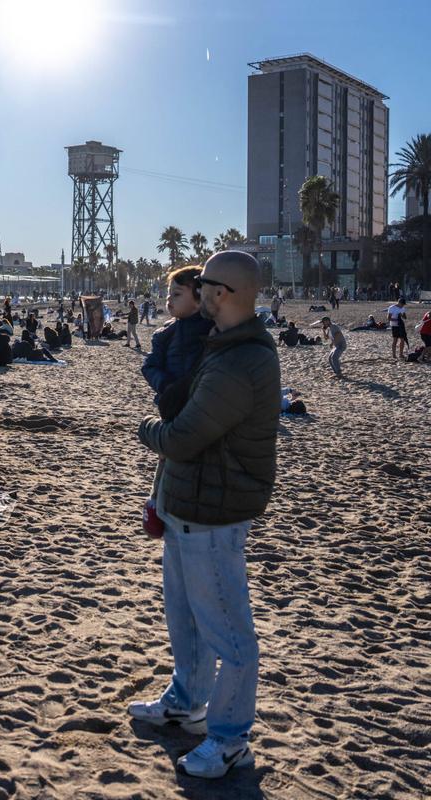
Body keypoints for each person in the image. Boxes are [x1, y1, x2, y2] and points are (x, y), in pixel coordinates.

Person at [132, 251, 281, 779]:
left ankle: (229, 737)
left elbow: (183, 434)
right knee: (187, 616)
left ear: (224, 293)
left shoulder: (243, 360)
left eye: (207, 283)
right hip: (188, 503)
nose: (199, 288)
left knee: (229, 632)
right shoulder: (220, 346)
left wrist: (146, 430)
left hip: (215, 511)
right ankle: (186, 701)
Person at [141, 266, 215, 419]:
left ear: (199, 299)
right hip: (173, 405)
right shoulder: (164, 334)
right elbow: (149, 366)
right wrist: (165, 385)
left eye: (176, 294)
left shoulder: (216, 329)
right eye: (169, 293)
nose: (169, 298)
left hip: (206, 405)